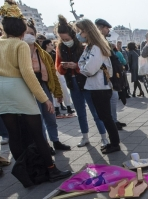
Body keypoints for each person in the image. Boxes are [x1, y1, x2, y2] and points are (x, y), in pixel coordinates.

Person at [0, 0, 70, 182]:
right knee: (37, 132)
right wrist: (44, 99)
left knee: (13, 135)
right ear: (21, 30)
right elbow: (27, 74)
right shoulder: (19, 45)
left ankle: (26, 173)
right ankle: (51, 170)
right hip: (17, 87)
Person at [55, 14, 107, 147]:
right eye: (62, 39)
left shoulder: (83, 45)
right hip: (72, 82)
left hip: (85, 82)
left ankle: (104, 137)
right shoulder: (60, 47)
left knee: (96, 112)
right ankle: (85, 137)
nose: (65, 40)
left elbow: (90, 65)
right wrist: (64, 66)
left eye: (67, 38)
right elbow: (58, 67)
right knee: (80, 113)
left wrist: (76, 66)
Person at [75, 18, 121, 154]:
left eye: (80, 31)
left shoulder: (96, 47)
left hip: (101, 86)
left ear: (87, 31)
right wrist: (84, 68)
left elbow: (89, 69)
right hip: (94, 86)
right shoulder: (90, 47)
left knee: (106, 117)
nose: (79, 34)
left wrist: (84, 68)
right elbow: (81, 63)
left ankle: (114, 143)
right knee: (103, 116)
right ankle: (113, 143)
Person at [24, 19, 71, 153]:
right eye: (26, 33)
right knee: (38, 120)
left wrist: (58, 93)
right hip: (29, 88)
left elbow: (52, 74)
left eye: (32, 33)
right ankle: (45, 146)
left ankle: (55, 141)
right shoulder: (20, 51)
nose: (30, 36)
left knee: (50, 116)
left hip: (44, 85)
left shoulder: (43, 54)